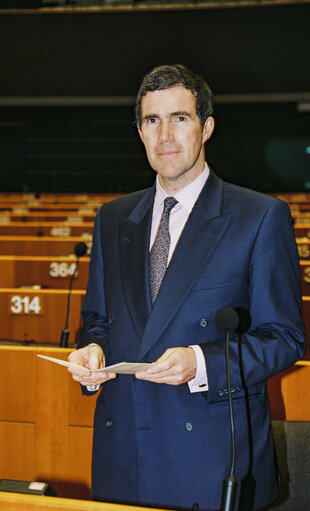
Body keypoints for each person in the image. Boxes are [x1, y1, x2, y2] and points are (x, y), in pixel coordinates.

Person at [68, 64, 305, 511]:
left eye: (180, 118)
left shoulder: (259, 217)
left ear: (207, 127)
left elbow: (285, 339)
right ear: (139, 132)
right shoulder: (113, 218)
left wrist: (200, 362)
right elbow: (98, 321)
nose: (165, 136)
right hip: (123, 455)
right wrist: (92, 352)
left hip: (211, 459)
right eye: (152, 121)